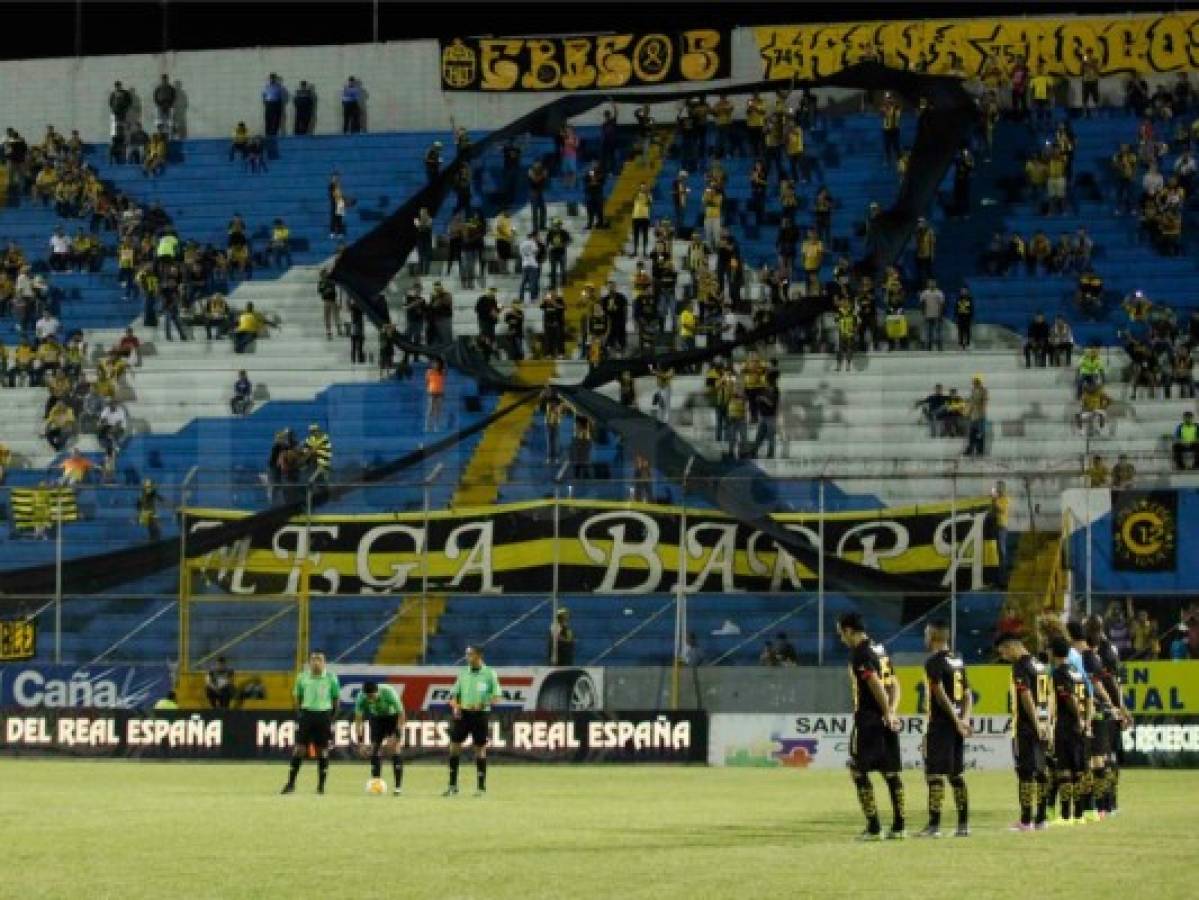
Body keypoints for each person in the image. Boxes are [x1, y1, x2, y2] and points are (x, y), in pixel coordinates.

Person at [838, 613, 905, 841]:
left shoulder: (860, 653)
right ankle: (899, 826)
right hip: (887, 719)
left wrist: (886, 712)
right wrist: (892, 712)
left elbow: (874, 682)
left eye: (841, 633)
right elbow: (895, 683)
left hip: (868, 719)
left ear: (849, 630)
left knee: (858, 770)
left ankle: (874, 827)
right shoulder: (880, 650)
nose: (841, 639)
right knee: (891, 773)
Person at [917, 621, 972, 838]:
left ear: (933, 636)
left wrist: (957, 721)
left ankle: (934, 826)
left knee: (933, 775)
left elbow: (939, 693)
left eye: (926, 633)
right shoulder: (957, 661)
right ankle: (963, 825)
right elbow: (968, 694)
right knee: (956, 774)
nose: (924, 637)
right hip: (956, 725)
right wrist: (964, 719)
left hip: (941, 725)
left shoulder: (933, 662)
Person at [995, 633, 1052, 831]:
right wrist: (1048, 724)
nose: (1003, 656)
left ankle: (1026, 821)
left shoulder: (1020, 666)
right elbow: (1050, 696)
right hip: (1044, 726)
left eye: (1003, 651)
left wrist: (1036, 724)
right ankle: (1042, 818)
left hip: (1027, 728)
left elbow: (1026, 695)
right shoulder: (1040, 665)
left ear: (1011, 646)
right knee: (1042, 772)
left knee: (1025, 773)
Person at [444, 644, 501, 797]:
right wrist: (455, 706)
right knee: (454, 746)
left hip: (480, 714)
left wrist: (483, 704)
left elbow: (497, 698)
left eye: (470, 654)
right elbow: (454, 694)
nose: (467, 657)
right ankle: (452, 786)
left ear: (479, 655)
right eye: (467, 654)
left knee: (479, 748)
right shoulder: (463, 673)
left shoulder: (490, 674)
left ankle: (481, 788)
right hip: (463, 714)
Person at [281, 651, 340, 795]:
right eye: (313, 659)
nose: (316, 662)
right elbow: (297, 696)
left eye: (319, 659)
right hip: (307, 715)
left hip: (324, 715)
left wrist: (331, 718)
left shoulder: (331, 678)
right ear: (309, 662)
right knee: (299, 749)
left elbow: (336, 700)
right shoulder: (302, 677)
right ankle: (291, 784)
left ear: (324, 662)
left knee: (322, 751)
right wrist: (300, 714)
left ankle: (321, 786)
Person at [1049, 636, 1090, 825]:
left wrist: (1079, 719)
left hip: (1066, 726)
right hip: (1080, 727)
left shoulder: (1059, 673)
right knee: (1079, 770)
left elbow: (1069, 697)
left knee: (1064, 770)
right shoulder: (1078, 672)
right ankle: (1079, 814)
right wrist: (1086, 720)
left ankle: (1066, 816)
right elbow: (1088, 698)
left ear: (1052, 653)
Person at [353, 680, 407, 796]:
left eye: (372, 696)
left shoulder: (389, 692)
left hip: (393, 718)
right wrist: (360, 743)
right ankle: (375, 784)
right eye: (368, 697)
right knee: (374, 750)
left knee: (395, 749)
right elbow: (358, 721)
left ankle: (398, 787)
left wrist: (395, 735)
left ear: (377, 692)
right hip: (376, 719)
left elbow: (402, 714)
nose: (370, 699)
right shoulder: (361, 697)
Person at [425, 359, 446, 432]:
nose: (436, 365)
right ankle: (428, 426)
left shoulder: (442, 372)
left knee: (438, 411)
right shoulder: (429, 372)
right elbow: (427, 382)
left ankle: (436, 426)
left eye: (437, 364)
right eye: (434, 363)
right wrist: (428, 390)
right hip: (431, 392)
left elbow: (443, 380)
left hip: (440, 392)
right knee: (430, 410)